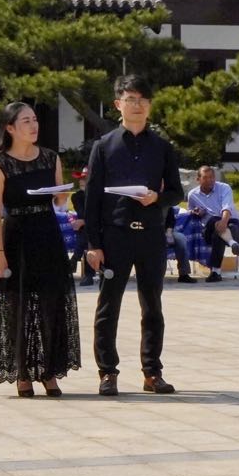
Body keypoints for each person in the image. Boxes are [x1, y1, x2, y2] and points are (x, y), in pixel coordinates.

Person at [84, 74, 184, 396]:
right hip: (116, 235)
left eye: (142, 99)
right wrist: (93, 245)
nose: (137, 105)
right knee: (108, 304)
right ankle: (107, 372)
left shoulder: (163, 148)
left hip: (151, 235)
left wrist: (158, 197)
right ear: (118, 105)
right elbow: (92, 199)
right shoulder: (104, 146)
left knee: (152, 304)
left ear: (150, 105)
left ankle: (152, 372)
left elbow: (177, 193)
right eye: (130, 99)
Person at [0, 102, 81, 397]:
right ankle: (23, 372)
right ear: (10, 128)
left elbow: (60, 202)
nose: (33, 126)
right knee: (18, 305)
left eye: (35, 120)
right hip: (17, 236)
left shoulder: (50, 158)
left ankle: (49, 372)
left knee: (52, 303)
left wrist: (63, 195)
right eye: (26, 121)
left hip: (47, 234)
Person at [185, 165, 239, 282]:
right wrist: (197, 212)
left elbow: (227, 208)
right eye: (205, 178)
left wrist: (223, 222)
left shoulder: (224, 188)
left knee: (218, 235)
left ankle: (216, 272)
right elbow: (190, 212)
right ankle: (232, 244)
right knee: (213, 220)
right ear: (198, 179)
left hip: (230, 222)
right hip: (209, 227)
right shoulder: (193, 194)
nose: (209, 180)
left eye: (212, 177)